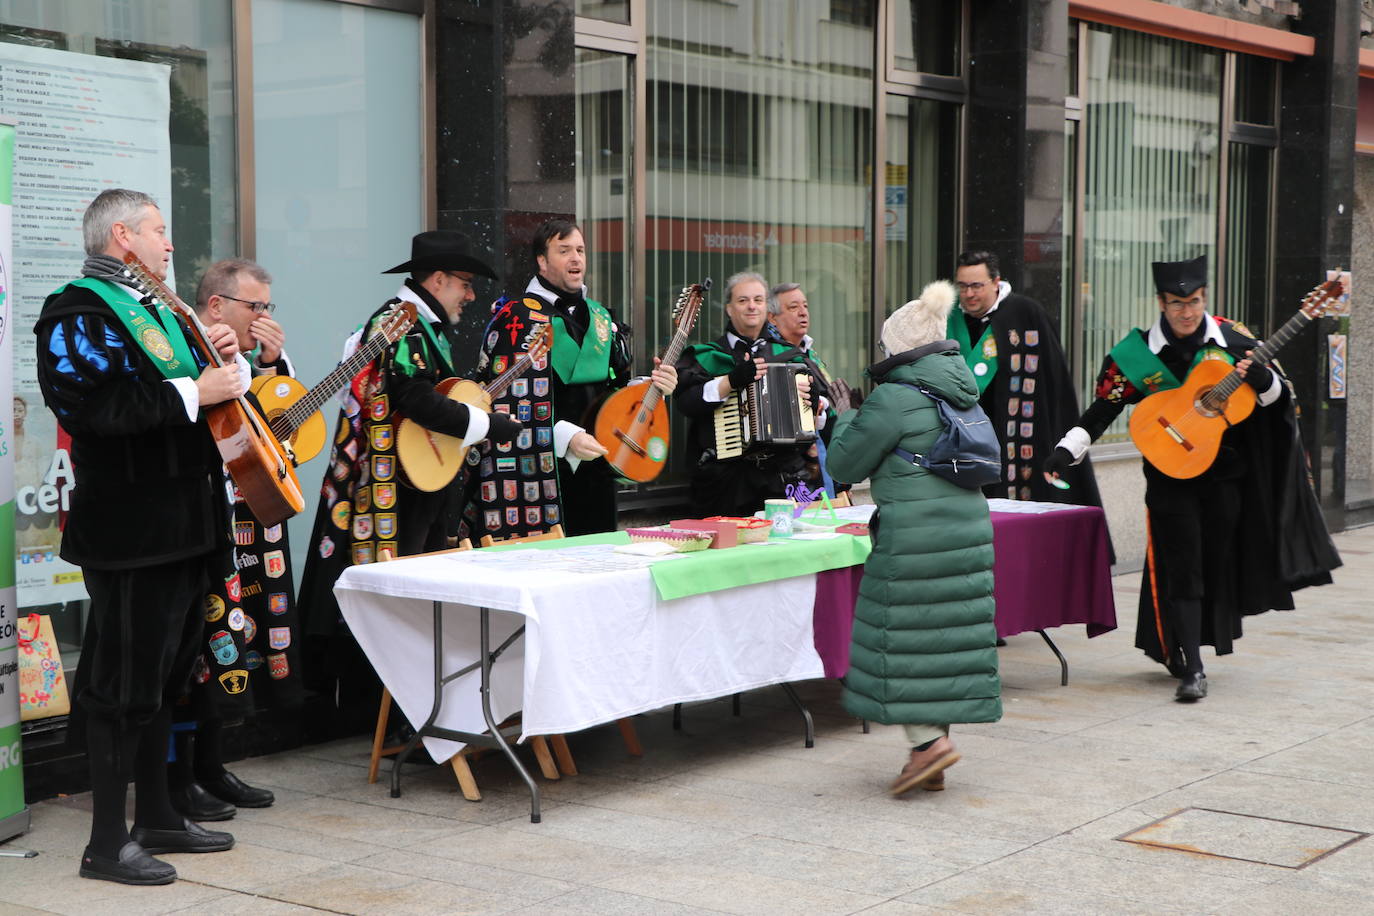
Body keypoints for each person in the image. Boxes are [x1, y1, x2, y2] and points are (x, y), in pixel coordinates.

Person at [35, 188, 239, 884]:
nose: (169, 243)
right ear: (122, 235)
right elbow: (91, 408)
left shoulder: (161, 308)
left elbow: (199, 394)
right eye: (159, 230)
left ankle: (156, 815)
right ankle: (104, 843)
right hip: (131, 531)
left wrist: (226, 365)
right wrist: (195, 392)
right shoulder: (77, 308)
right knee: (121, 686)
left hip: (186, 525)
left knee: (165, 679)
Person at [1044, 254, 1341, 701]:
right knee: (1184, 566)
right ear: (1161, 303)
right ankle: (1193, 670)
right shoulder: (1138, 353)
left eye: (1195, 302)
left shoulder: (1234, 340)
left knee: (1211, 562)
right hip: (1169, 476)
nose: (1187, 312)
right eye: (1177, 303)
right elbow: (1104, 408)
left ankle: (1182, 644)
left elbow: (1277, 400)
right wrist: (1067, 449)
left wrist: (1263, 381)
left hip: (1227, 477)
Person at [297, 230, 521, 721]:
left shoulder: (420, 324)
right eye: (464, 282)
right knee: (400, 595)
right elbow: (414, 398)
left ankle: (400, 711)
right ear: (437, 279)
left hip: (408, 482)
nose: (470, 294)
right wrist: (486, 425)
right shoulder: (403, 323)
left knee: (410, 592)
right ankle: (392, 714)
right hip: (389, 491)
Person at [825, 279, 1001, 795]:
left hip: (915, 540)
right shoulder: (963, 389)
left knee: (901, 642)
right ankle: (929, 756)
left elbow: (842, 465)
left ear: (898, 349)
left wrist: (844, 418)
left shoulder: (895, 398)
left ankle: (928, 745)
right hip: (968, 534)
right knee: (941, 642)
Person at [167, 259, 299, 823]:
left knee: (233, 643)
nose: (264, 317)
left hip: (245, 523)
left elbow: (280, 421)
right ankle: (180, 777)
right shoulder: (187, 349)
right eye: (256, 307)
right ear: (217, 306)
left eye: (269, 307)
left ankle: (213, 765)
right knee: (196, 650)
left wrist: (272, 362)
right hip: (197, 524)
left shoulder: (245, 358)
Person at [464, 218, 675, 539]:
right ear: (542, 261)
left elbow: (616, 390)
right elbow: (498, 401)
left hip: (598, 465)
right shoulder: (515, 318)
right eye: (564, 251)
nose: (576, 258)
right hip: (536, 472)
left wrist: (654, 387)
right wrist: (564, 436)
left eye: (580, 250)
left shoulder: (603, 318)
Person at [950, 250, 1105, 508]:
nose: (969, 294)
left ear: (996, 281)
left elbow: (1053, 383)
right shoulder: (949, 320)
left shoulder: (1026, 314)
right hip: (966, 440)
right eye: (963, 286)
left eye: (976, 285)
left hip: (1014, 436)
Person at [674, 271, 820, 517]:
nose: (752, 306)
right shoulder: (706, 356)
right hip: (726, 481)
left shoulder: (790, 356)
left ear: (766, 308)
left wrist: (812, 402)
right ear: (729, 308)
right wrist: (729, 381)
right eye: (743, 301)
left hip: (782, 478)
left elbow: (819, 418)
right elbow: (686, 403)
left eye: (758, 300)